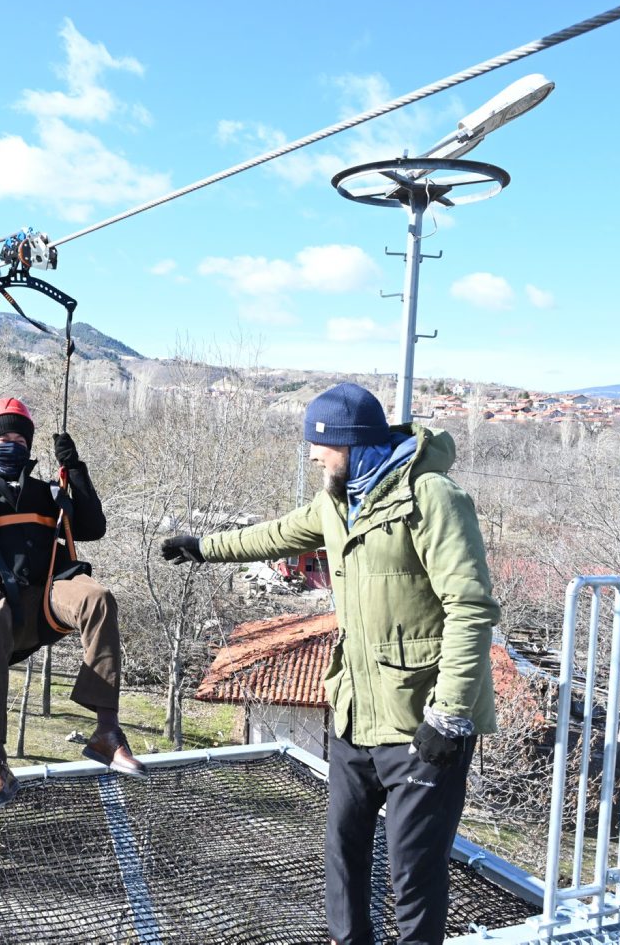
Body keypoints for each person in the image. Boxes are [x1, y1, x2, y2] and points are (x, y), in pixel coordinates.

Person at [160, 383, 499, 945]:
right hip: (354, 714)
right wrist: (202, 548)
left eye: (321, 447)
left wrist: (449, 714)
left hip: (421, 721)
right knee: (343, 859)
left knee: (413, 874)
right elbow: (272, 535)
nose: (313, 457)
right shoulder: (337, 502)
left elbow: (471, 606)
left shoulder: (432, 497)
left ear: (352, 442)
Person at [0, 397, 146, 815]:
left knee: (98, 598)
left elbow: (93, 527)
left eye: (18, 438)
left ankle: (107, 732)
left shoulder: (46, 493)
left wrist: (75, 470)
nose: (11, 445)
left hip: (44, 599)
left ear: (28, 445)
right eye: (2, 438)